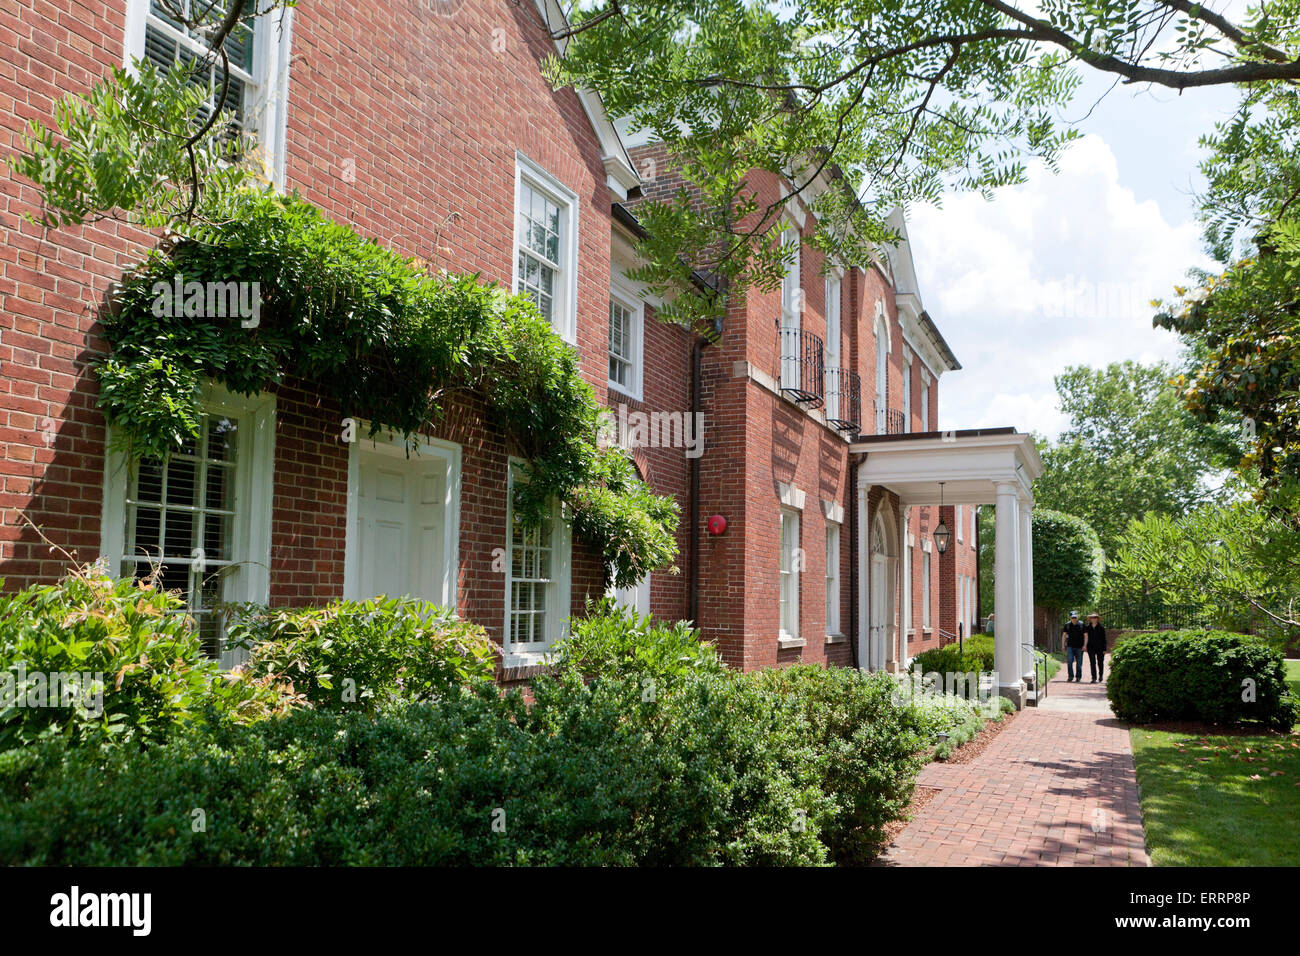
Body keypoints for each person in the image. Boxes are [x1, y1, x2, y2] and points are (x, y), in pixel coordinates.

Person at [1061, 610, 1086, 682]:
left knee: (1079, 663)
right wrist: (1063, 645)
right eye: (1073, 618)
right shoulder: (1067, 625)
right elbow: (1064, 636)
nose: (1074, 619)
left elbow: (1086, 635)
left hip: (1080, 647)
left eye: (1075, 617)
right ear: (1070, 617)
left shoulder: (1081, 624)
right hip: (1070, 647)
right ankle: (1070, 676)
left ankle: (1078, 677)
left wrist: (1085, 645)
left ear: (1077, 617)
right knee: (1069, 661)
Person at [1084, 612, 1107, 683]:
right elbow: (1086, 637)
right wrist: (1085, 646)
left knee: (1100, 662)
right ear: (1090, 619)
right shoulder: (1087, 628)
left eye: (1095, 618)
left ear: (1097, 619)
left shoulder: (1101, 628)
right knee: (1092, 662)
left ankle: (1100, 676)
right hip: (1091, 647)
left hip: (1100, 647)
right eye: (1092, 618)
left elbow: (1104, 639)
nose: (1093, 619)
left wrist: (1104, 649)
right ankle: (1094, 677)